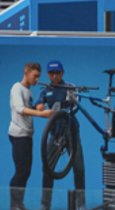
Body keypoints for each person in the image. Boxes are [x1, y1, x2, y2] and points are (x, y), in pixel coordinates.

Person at [38, 61, 85, 210]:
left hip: (71, 131)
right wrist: (40, 107)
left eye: (57, 73)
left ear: (62, 73)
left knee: (79, 168)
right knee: (47, 169)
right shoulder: (45, 90)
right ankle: (45, 206)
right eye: (51, 73)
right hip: (55, 133)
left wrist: (70, 103)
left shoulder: (70, 87)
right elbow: (39, 105)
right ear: (47, 74)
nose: (54, 76)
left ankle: (81, 205)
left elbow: (77, 105)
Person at [9, 62, 50, 210]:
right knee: (21, 171)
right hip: (18, 135)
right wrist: (40, 113)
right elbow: (20, 109)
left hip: (27, 135)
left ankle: (20, 203)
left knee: (26, 172)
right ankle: (14, 205)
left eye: (39, 76)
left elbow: (27, 108)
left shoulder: (29, 91)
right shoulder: (16, 88)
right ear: (26, 72)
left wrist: (36, 108)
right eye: (35, 76)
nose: (37, 80)